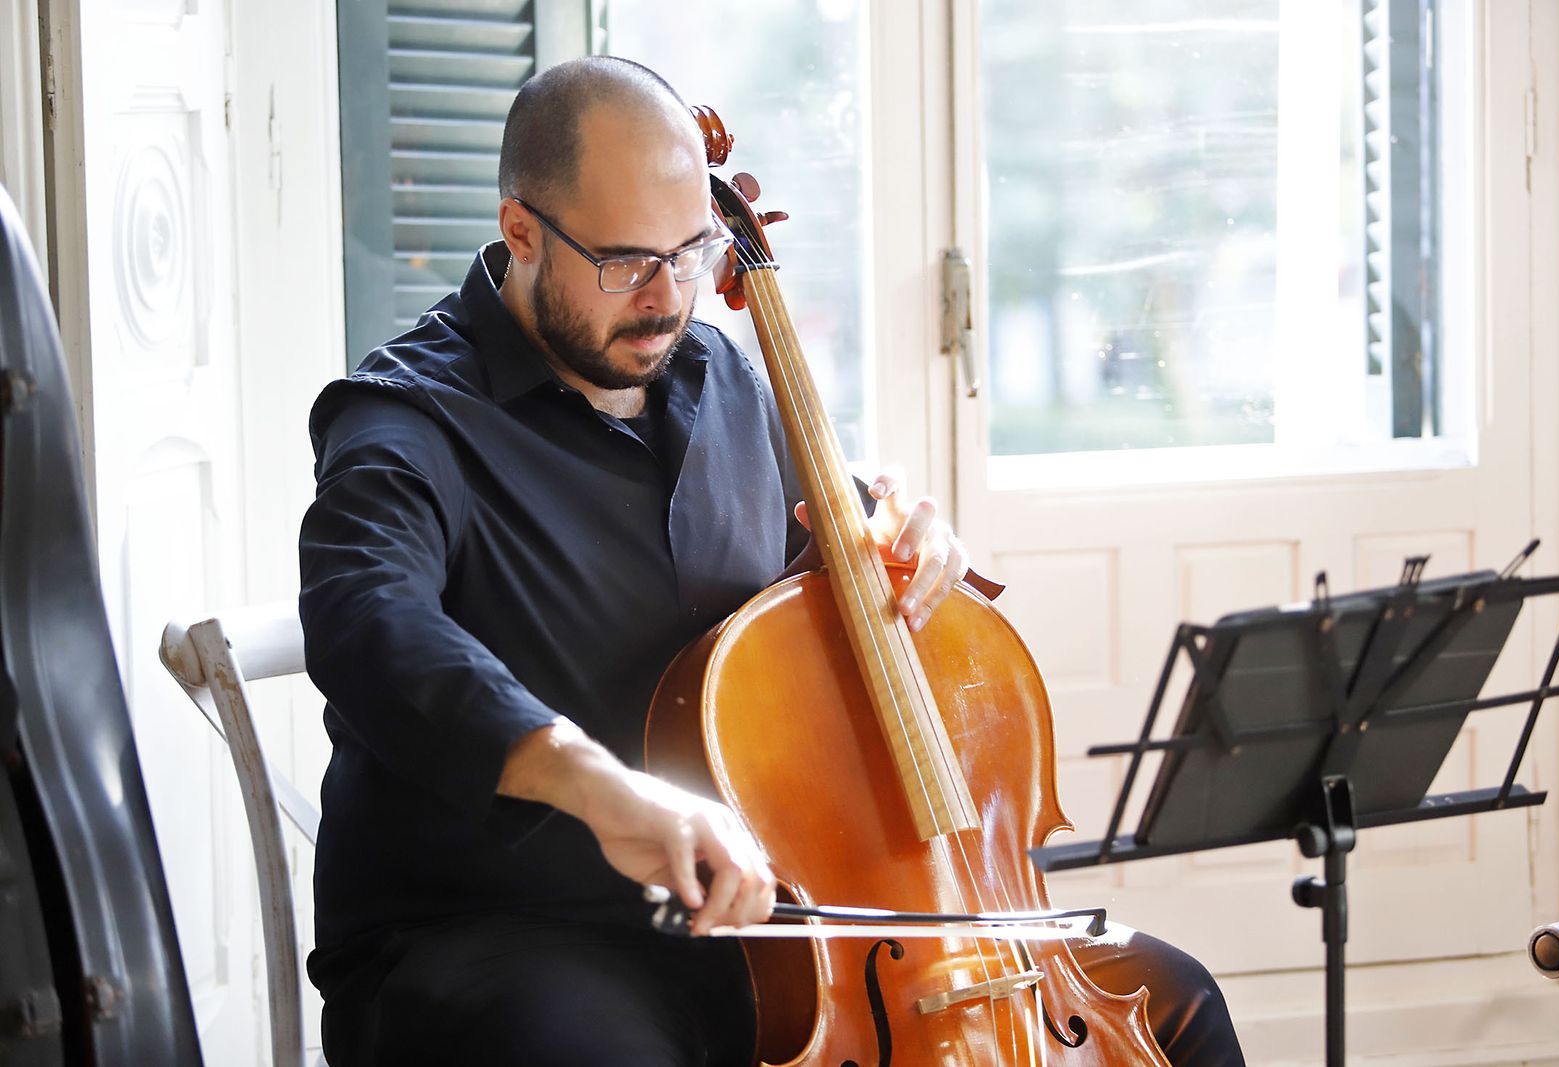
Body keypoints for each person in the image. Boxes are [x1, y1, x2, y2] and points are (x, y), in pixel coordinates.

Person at [299, 55, 1245, 1066]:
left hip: (768, 921)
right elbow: (369, 625)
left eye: (693, 249)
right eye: (627, 262)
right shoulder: (405, 417)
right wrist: (599, 783)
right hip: (510, 929)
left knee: (1174, 1001)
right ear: (521, 229)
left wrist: (894, 547)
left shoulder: (724, 376)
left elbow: (815, 565)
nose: (669, 299)